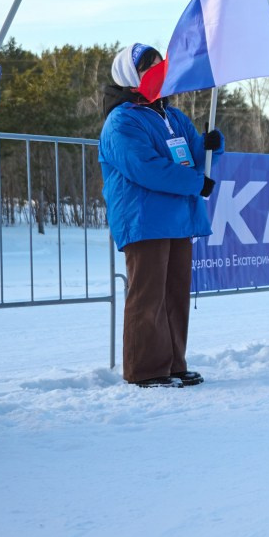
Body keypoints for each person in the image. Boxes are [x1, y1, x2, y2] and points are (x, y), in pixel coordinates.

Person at [98, 43, 215, 387]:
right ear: (129, 75)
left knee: (175, 295)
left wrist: (210, 146)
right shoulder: (122, 120)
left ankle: (173, 363)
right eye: (147, 67)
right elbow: (146, 167)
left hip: (178, 217)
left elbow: (194, 156)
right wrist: (196, 183)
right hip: (144, 218)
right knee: (148, 295)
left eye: (159, 65)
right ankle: (146, 369)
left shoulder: (172, 116)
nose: (157, 72)